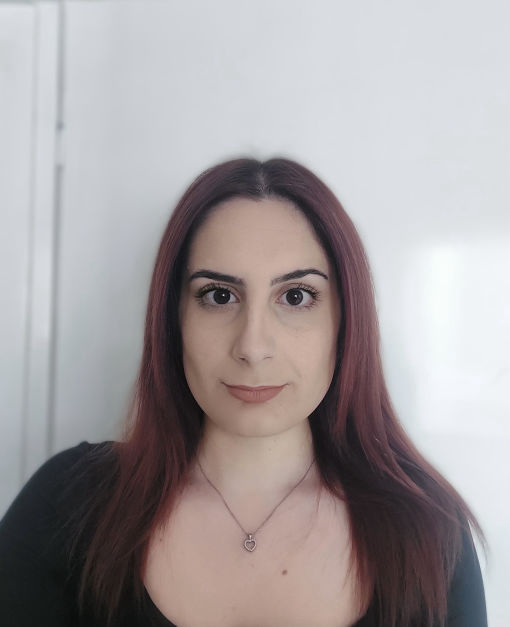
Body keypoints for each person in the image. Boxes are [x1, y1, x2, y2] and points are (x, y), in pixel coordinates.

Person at [0, 157, 487, 627]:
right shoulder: (66, 508)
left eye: (295, 296)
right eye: (219, 295)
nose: (253, 347)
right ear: (173, 319)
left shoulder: (428, 532)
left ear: (345, 322)